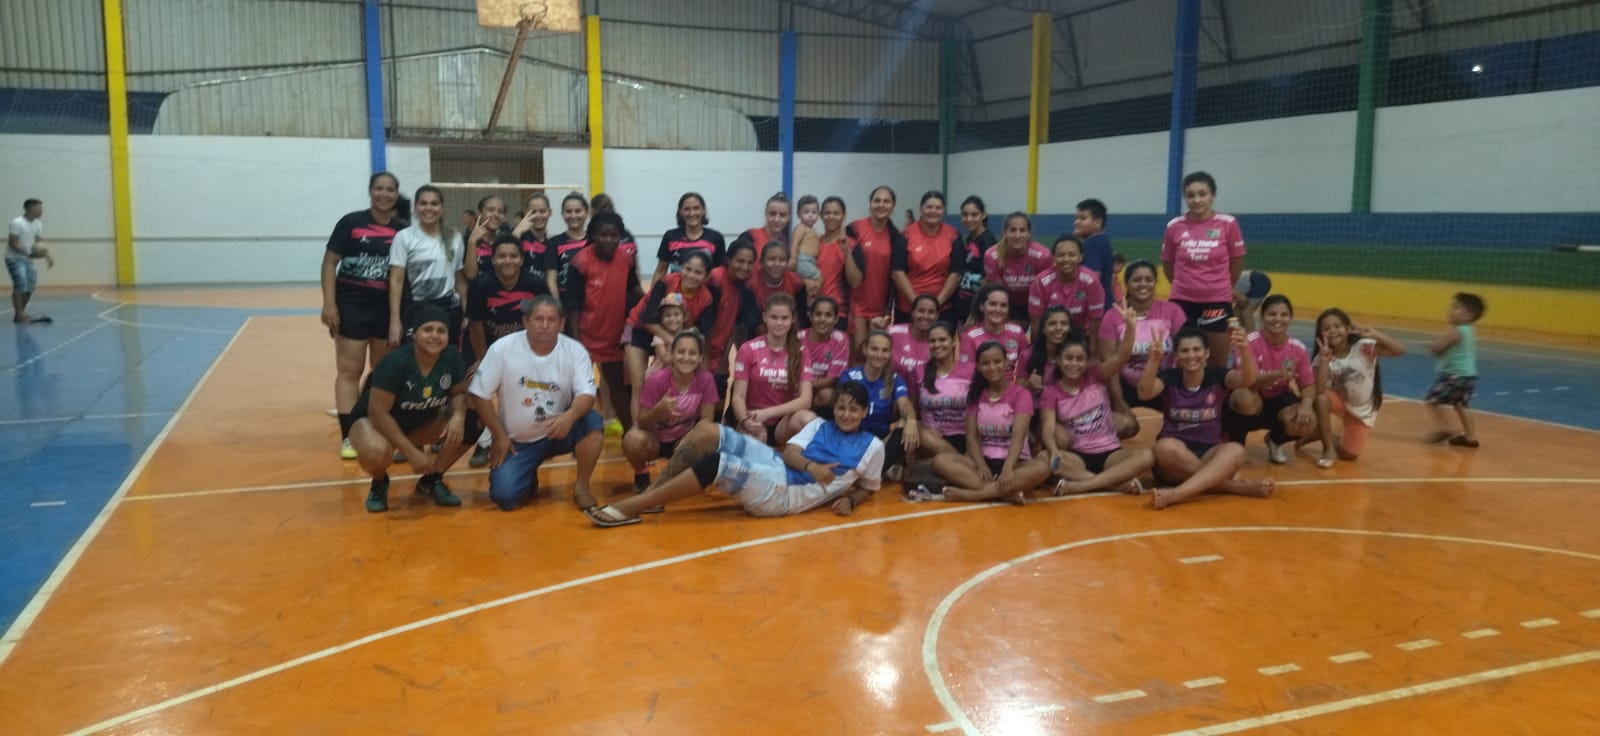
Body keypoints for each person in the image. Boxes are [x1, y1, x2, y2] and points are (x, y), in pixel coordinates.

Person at [586, 382, 886, 527]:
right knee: (708, 432)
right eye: (841, 407)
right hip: (778, 464)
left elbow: (869, 488)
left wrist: (850, 499)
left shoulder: (873, 447)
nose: (846, 414)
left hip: (783, 495)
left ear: (864, 412)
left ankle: (633, 507)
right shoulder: (820, 425)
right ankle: (654, 494)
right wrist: (813, 466)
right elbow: (791, 453)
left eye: (853, 409)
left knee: (718, 464)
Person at [469, 295, 605, 511]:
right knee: (505, 498)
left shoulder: (575, 350)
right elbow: (479, 394)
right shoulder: (502, 349)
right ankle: (528, 477)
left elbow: (587, 395)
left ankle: (581, 487)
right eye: (538, 319)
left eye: (551, 320)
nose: (544, 325)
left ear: (561, 323)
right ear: (525, 321)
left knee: (592, 422)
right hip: (518, 442)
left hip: (560, 430)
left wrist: (569, 417)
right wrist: (499, 435)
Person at [347, 305, 476, 513]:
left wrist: (459, 416)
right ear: (414, 335)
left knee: (473, 421)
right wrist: (410, 452)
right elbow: (378, 413)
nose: (435, 336)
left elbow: (459, 393)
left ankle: (431, 480)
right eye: (428, 330)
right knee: (376, 452)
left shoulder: (451, 356)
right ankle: (379, 482)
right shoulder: (395, 362)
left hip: (419, 421)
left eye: (441, 331)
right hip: (375, 423)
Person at [1137, 326, 1273, 510]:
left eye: (1196, 349)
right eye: (1184, 350)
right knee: (1163, 447)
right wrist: (1153, 361)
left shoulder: (1217, 376)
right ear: (1176, 356)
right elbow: (1144, 393)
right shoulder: (1169, 377)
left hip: (1210, 452)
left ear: (1207, 353)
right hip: (1174, 460)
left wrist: (1244, 350)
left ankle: (1177, 494)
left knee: (1236, 450)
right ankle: (1231, 486)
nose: (1191, 355)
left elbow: (1247, 380)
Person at [322, 173, 407, 459]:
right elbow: (330, 262)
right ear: (371, 192)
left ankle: (374, 424)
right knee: (349, 371)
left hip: (388, 311)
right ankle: (348, 437)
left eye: (390, 190)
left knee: (382, 373)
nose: (384, 194)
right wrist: (329, 304)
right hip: (352, 307)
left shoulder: (403, 231)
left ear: (396, 194)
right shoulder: (351, 223)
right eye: (379, 189)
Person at [911, 341, 1057, 504]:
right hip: (984, 458)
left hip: (1016, 462)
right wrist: (981, 465)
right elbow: (971, 438)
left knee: (1043, 468)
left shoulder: (1021, 395)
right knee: (941, 461)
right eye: (985, 363)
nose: (992, 367)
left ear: (1006, 362)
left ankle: (974, 495)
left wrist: (1008, 468)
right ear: (979, 367)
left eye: (997, 362)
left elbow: (1018, 437)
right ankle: (1004, 494)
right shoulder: (975, 395)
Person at [1039, 310, 1154, 495]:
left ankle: (1083, 485)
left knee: (1146, 456)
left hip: (1111, 452)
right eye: (1068, 358)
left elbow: (1121, 357)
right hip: (1078, 456)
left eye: (1079, 359)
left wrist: (1131, 327)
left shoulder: (1096, 376)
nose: (1074, 364)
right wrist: (1053, 450)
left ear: (1086, 362)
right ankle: (1113, 484)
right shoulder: (1050, 392)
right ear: (1059, 361)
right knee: (1044, 457)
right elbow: (1047, 427)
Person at [464, 235, 551, 467]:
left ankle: (525, 438)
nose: (507, 260)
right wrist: (483, 359)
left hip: (523, 349)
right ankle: (482, 442)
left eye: (513, 256)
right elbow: (476, 324)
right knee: (476, 387)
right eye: (501, 256)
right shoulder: (481, 284)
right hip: (485, 347)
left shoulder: (535, 283)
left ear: (522, 259)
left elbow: (544, 319)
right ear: (492, 260)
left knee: (522, 391)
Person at [1163, 171, 1246, 368]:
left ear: (1213, 195)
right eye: (1191, 195)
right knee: (1183, 358)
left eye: (1203, 194)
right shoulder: (1174, 226)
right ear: (1185, 198)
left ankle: (1216, 396)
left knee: (1217, 360)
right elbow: (1168, 264)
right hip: (1182, 301)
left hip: (1216, 301)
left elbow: (1237, 262)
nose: (1197, 199)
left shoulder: (1228, 224)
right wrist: (1184, 285)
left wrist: (1221, 287)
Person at [570, 211, 644, 432]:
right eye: (603, 235)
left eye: (614, 236)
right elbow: (572, 306)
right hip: (585, 338)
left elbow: (634, 289)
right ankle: (574, 439)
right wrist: (576, 344)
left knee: (621, 390)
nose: (609, 240)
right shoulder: (581, 261)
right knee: (580, 393)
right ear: (593, 235)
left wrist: (656, 302)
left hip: (614, 338)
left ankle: (631, 435)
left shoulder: (625, 258)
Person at [1304, 308, 1405, 467]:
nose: (1333, 331)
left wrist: (1376, 334)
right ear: (1320, 333)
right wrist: (1324, 361)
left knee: (1349, 455)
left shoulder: (1363, 348)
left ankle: (1322, 434)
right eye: (1327, 328)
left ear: (1348, 329)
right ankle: (1328, 448)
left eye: (1337, 326)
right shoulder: (1323, 355)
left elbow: (1399, 350)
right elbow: (1319, 389)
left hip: (1361, 410)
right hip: (1340, 403)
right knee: (1321, 398)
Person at [1223, 295, 1318, 464]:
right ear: (1263, 317)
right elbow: (1247, 381)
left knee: (1308, 420)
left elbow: (1308, 385)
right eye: (1272, 314)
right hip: (1251, 399)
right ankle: (1236, 445)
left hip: (1277, 401)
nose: (1278, 319)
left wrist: (1306, 405)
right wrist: (1277, 374)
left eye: (1284, 315)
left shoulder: (1298, 348)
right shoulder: (1249, 341)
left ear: (1290, 318)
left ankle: (1275, 440)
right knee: (1243, 397)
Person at [1099, 259, 1188, 439]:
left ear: (1155, 283)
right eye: (1137, 280)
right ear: (1127, 284)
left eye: (1148, 279)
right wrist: (1118, 401)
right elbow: (1108, 364)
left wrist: (1181, 396)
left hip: (1163, 382)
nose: (1143, 284)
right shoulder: (1112, 315)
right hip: (1124, 385)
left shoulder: (1172, 311)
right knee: (1126, 427)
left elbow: (1185, 354)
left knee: (1180, 433)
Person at [623, 331, 721, 493]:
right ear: (672, 355)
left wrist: (690, 439)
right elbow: (642, 421)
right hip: (656, 440)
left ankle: (684, 476)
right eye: (681, 352)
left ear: (700, 358)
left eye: (692, 353)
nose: (686, 358)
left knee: (714, 437)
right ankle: (641, 477)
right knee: (632, 439)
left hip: (682, 439)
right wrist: (659, 408)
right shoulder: (657, 380)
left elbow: (706, 421)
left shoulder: (706, 379)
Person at [625, 250, 716, 421]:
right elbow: (648, 319)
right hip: (640, 327)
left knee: (673, 382)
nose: (691, 275)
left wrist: (701, 363)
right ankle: (638, 429)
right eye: (688, 269)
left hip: (675, 333)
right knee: (639, 384)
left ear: (706, 276)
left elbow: (702, 334)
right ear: (681, 268)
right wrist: (676, 342)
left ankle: (675, 424)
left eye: (698, 272)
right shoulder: (666, 283)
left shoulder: (707, 298)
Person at [731, 293, 816, 446]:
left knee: (808, 419)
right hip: (752, 417)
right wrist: (745, 420)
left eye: (784, 318)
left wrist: (768, 413)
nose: (779, 323)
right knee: (755, 445)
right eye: (774, 317)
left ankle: (794, 457)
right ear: (764, 317)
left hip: (782, 422)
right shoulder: (748, 348)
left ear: (793, 319)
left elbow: (806, 400)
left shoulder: (801, 352)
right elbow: (737, 397)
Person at [388, 185, 466, 347]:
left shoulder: (455, 238)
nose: (428, 208)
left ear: (442, 208)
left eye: (434, 203)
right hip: (415, 309)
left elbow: (460, 280)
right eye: (423, 203)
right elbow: (396, 281)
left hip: (448, 310)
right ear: (415, 208)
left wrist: (466, 313)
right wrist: (395, 319)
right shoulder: (404, 237)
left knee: (446, 359)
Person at [840, 330, 918, 479]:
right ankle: (875, 470)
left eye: (885, 350)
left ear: (890, 353)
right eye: (874, 349)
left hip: (881, 438)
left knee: (905, 423)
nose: (879, 354)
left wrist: (912, 419)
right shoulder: (849, 376)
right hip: (854, 434)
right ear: (865, 349)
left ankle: (874, 472)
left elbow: (904, 404)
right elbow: (848, 416)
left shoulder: (895, 379)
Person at [891, 190, 963, 323]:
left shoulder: (953, 236)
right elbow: (897, 272)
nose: (933, 211)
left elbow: (956, 274)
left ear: (944, 210)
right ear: (920, 208)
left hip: (942, 309)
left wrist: (934, 305)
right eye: (929, 207)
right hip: (909, 308)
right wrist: (918, 305)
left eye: (938, 208)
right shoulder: (905, 236)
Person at [845, 186, 900, 355]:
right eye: (877, 200)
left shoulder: (895, 236)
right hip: (856, 305)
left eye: (886, 201)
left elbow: (895, 276)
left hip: (881, 308)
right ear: (870, 204)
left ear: (893, 206)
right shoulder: (855, 229)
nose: (881, 205)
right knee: (859, 355)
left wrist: (888, 310)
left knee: (876, 357)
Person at [1425, 292, 1485, 448]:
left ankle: (1444, 428)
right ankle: (1470, 437)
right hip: (1469, 375)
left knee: (1432, 401)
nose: (1450, 311)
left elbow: (1438, 348)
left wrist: (1431, 346)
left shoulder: (1456, 331)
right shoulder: (1469, 330)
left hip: (1454, 375)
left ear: (1469, 315)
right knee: (1461, 405)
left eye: (1456, 308)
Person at [705, 241, 761, 405]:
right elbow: (706, 324)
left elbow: (733, 326)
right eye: (740, 261)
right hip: (701, 353)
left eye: (750, 263)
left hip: (717, 354)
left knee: (718, 399)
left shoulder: (742, 286)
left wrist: (724, 358)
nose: (745, 267)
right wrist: (706, 361)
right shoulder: (715, 279)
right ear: (728, 259)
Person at [1028, 235, 1105, 340]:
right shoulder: (1041, 282)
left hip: (1081, 335)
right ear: (1053, 258)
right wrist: (1036, 350)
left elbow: (1095, 321)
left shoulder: (1091, 281)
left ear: (1080, 257)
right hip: (1051, 336)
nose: (1066, 259)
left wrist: (1094, 354)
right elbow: (1035, 321)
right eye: (1061, 255)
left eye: (1072, 255)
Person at [912, 322, 972, 457]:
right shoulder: (919, 370)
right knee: (917, 431)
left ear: (954, 341)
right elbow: (913, 408)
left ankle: (959, 464)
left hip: (965, 437)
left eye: (942, 340)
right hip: (932, 439)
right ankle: (963, 465)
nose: (937, 345)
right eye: (932, 341)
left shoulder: (971, 370)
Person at [651, 191, 726, 283]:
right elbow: (661, 270)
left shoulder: (716, 238)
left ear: (703, 210)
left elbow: (720, 273)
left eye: (696, 208)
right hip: (675, 293)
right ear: (680, 212)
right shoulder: (670, 236)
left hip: (705, 293)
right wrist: (652, 296)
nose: (692, 213)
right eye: (687, 209)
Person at [543, 191, 590, 333]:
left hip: (591, 301)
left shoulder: (594, 240)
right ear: (562, 214)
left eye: (578, 211)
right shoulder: (554, 243)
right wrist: (558, 306)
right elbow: (551, 277)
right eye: (568, 211)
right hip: (565, 301)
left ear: (586, 213)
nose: (573, 215)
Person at [960, 284, 1028, 377]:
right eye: (992, 304)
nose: (998, 309)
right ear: (982, 306)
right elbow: (967, 375)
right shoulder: (970, 338)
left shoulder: (1017, 331)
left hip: (1014, 387)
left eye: (1003, 305)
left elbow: (1026, 367)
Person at [800, 296, 851, 413]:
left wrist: (805, 387)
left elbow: (833, 379)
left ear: (836, 319)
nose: (822, 319)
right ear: (811, 317)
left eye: (828, 315)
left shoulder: (841, 339)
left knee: (826, 395)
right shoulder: (798, 338)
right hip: (798, 389)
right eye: (818, 314)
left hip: (818, 389)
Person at [7, 198, 51, 324]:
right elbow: (13, 242)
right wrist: (27, 253)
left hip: (27, 259)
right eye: (39, 208)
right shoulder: (17, 223)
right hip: (14, 258)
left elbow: (38, 241)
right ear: (30, 209)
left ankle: (19, 314)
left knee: (30, 286)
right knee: (20, 283)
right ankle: (20, 315)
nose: (41, 210)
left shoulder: (37, 224)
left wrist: (47, 256)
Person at [952, 196, 994, 326]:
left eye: (974, 215)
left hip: (976, 309)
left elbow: (987, 280)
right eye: (965, 215)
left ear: (983, 215)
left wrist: (974, 312)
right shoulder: (970, 238)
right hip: (964, 303)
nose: (969, 219)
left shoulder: (988, 241)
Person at [747, 242, 808, 326]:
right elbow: (753, 322)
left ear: (787, 262)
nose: (777, 264)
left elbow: (800, 317)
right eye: (771, 259)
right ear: (761, 262)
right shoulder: (751, 285)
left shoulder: (797, 283)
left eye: (782, 260)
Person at [810, 196, 852, 314]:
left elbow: (855, 282)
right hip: (813, 309)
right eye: (827, 213)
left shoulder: (851, 244)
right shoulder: (814, 242)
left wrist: (847, 252)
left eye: (836, 213)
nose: (831, 217)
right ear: (821, 215)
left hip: (838, 310)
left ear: (843, 216)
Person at [889, 294, 939, 391]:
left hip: (926, 396)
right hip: (891, 393)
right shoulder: (893, 333)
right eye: (921, 311)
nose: (925, 316)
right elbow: (862, 355)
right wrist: (874, 329)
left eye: (931, 312)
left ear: (937, 316)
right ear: (912, 313)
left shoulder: (940, 341)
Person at [1073, 198, 1116, 311]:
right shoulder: (1103, 240)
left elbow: (1092, 279)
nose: (1076, 222)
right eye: (1076, 218)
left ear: (1097, 223)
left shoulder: (1092, 243)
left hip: (1095, 310)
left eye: (1082, 218)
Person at [1022, 306, 1073, 398]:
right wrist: (1029, 385)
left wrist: (1045, 389)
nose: (1058, 328)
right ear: (1043, 329)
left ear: (1070, 328)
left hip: (1065, 408)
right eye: (1052, 324)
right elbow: (1018, 391)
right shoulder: (1028, 354)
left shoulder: (1074, 357)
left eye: (1064, 324)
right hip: (1034, 409)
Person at [729, 192, 791, 257]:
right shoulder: (751, 236)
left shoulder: (786, 245)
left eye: (782, 215)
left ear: (789, 217)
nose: (777, 219)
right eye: (772, 214)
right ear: (765, 213)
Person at [510, 192, 553, 284]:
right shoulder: (517, 236)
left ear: (549, 212)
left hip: (543, 294)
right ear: (526, 213)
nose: (538, 215)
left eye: (542, 211)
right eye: (533, 212)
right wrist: (517, 232)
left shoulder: (553, 241)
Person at [463, 194, 507, 281]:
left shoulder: (504, 240)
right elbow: (471, 275)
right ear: (479, 214)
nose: (496, 215)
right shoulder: (467, 239)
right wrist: (472, 242)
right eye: (491, 210)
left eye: (500, 212)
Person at [790, 194, 820, 274]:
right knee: (819, 278)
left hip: (811, 261)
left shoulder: (812, 230)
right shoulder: (801, 227)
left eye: (814, 212)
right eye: (806, 212)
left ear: (818, 214)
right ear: (798, 215)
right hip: (802, 260)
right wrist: (793, 259)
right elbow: (794, 243)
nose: (810, 215)